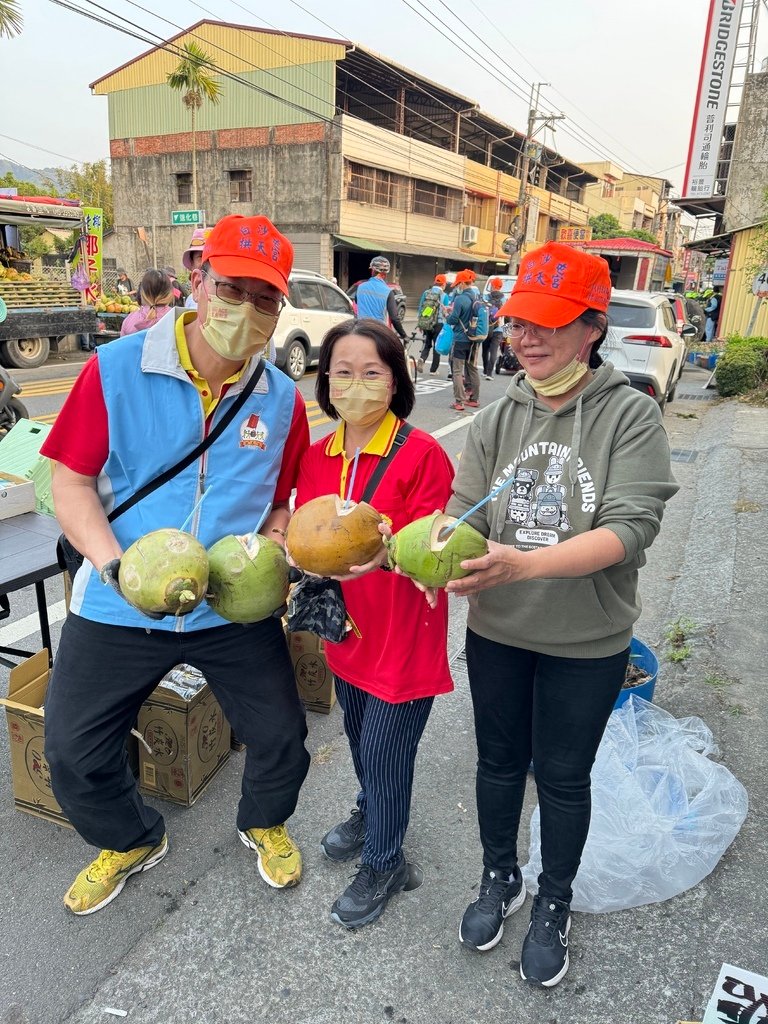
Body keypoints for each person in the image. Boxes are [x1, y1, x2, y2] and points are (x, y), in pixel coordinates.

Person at [40, 214, 311, 915]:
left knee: (281, 735)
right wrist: (112, 565)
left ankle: (264, 823)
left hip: (232, 606)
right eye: (231, 288)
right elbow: (68, 481)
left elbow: (285, 498)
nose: (245, 310)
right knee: (71, 750)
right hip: (119, 599)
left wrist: (276, 542)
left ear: (280, 309)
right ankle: (129, 837)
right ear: (196, 280)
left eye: (264, 299)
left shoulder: (280, 399)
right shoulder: (115, 370)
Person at [440, 241, 678, 987]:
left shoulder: (629, 417)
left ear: (592, 327)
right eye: (516, 323)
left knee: (566, 777)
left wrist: (526, 564)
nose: (525, 338)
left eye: (546, 323)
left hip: (587, 639)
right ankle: (498, 877)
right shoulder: (498, 415)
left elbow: (631, 527)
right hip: (499, 631)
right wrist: (435, 551)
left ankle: (554, 900)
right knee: (498, 764)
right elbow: (462, 508)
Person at [293, 317, 455, 929]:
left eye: (371, 373)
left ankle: (386, 860)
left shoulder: (422, 455)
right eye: (342, 372)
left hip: (402, 639)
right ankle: (370, 809)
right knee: (364, 742)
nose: (355, 384)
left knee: (389, 755)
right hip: (348, 634)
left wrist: (383, 554)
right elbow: (305, 532)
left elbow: (433, 553)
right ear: (325, 381)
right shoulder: (316, 456)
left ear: (395, 382)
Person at [446, 269, 479, 411]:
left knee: (457, 370)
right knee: (472, 368)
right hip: (474, 339)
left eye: (458, 284)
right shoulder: (477, 297)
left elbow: (453, 319)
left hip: (461, 339)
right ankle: (474, 399)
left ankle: (459, 401)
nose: (457, 287)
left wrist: (448, 314)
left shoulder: (460, 299)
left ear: (462, 283)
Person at [355, 256, 407, 342]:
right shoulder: (388, 291)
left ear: (372, 270)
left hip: (360, 331)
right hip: (378, 333)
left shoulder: (360, 287)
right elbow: (394, 318)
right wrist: (404, 335)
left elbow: (357, 302)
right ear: (386, 273)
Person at [119, 269, 175, 336]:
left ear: (142, 293)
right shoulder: (178, 318)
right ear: (169, 293)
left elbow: (122, 345)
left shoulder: (129, 320)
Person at [416, 274, 446, 374]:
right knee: (437, 346)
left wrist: (420, 323)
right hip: (439, 324)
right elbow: (446, 311)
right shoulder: (444, 295)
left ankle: (422, 359)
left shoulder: (426, 293)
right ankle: (433, 370)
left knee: (427, 344)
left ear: (435, 282)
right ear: (443, 284)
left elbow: (420, 308)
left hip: (427, 322)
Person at [181, 227, 212, 310]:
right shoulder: (190, 300)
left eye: (212, 257)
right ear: (192, 263)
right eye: (201, 256)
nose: (208, 262)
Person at [483, 278, 505, 379]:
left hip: (486, 327)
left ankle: (484, 369)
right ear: (501, 287)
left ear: (491, 286)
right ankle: (489, 374)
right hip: (498, 328)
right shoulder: (504, 299)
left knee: (485, 350)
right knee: (494, 351)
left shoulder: (486, 297)